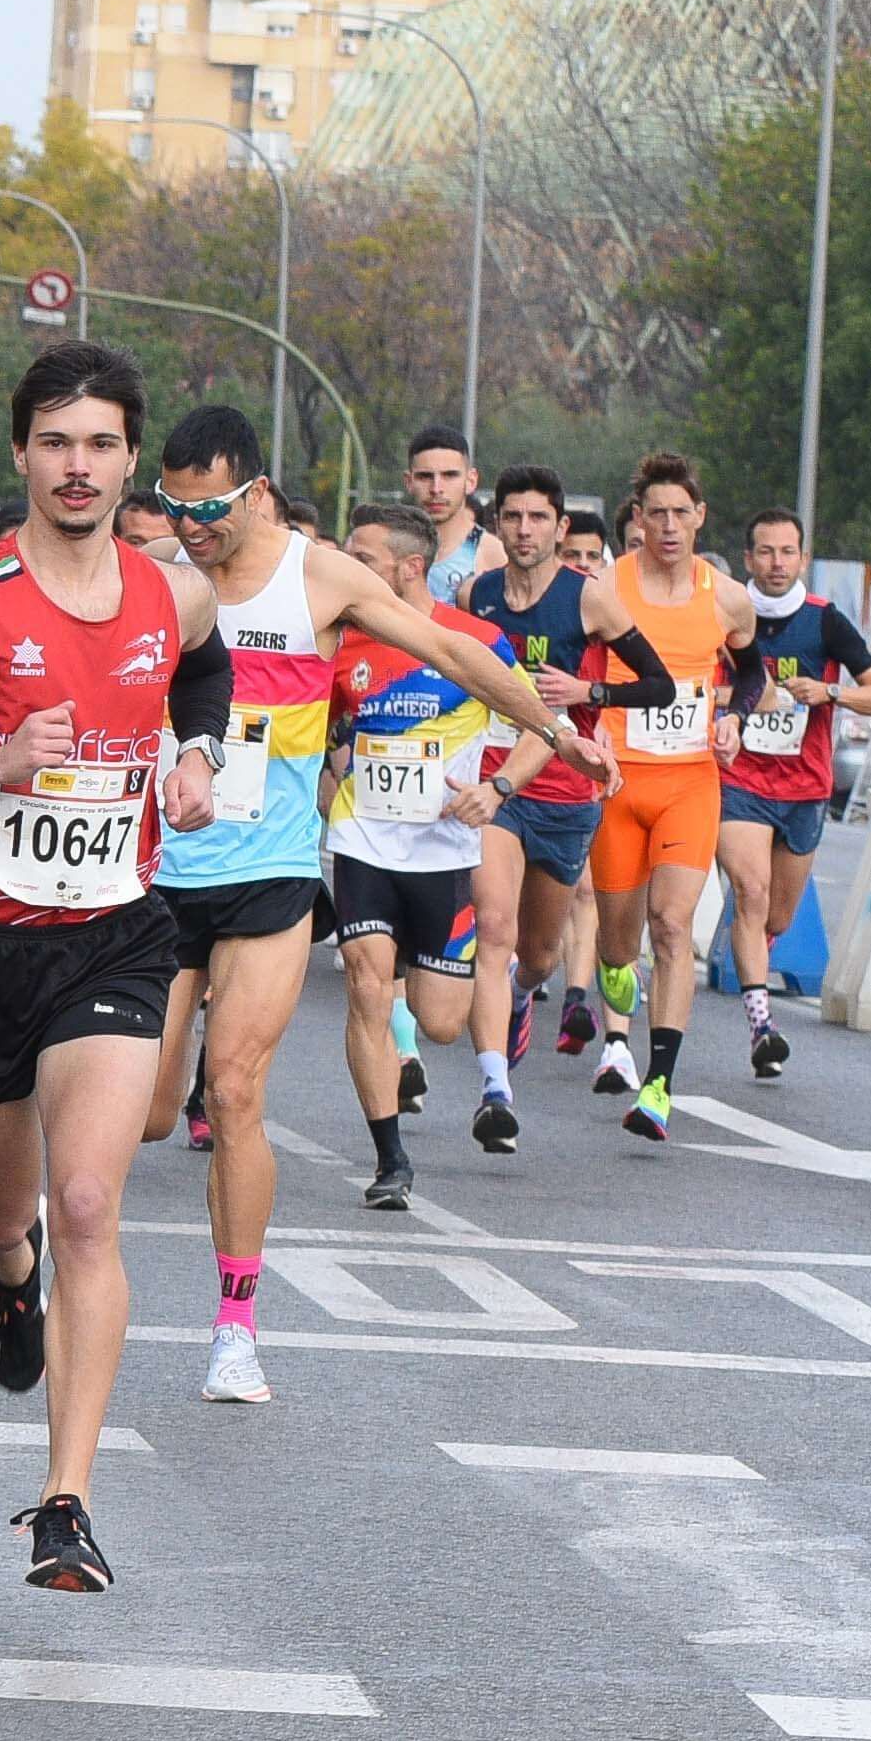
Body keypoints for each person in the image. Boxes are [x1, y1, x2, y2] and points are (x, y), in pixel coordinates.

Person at [0, 339, 226, 1595]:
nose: (77, 466)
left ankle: (65, 1500)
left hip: (111, 936)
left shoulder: (169, 593)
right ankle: (7, 1282)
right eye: (55, 442)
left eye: (100, 444)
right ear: (18, 452)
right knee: (1, 1212)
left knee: (83, 1204)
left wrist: (196, 754)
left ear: (130, 460)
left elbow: (205, 673)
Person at [140, 409, 581, 1397]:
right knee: (150, 1116)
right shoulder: (153, 576)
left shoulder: (320, 577)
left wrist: (553, 731)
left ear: (255, 493)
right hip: (157, 875)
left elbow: (455, 655)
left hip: (270, 873)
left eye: (207, 509)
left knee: (235, 1090)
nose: (189, 526)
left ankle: (234, 1328)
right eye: (173, 507)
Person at [326, 518, 528, 1217]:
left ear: (408, 567)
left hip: (443, 853)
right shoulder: (342, 639)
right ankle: (390, 1159)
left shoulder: (475, 641)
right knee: (365, 987)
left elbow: (540, 728)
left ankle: (481, 993)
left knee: (440, 1022)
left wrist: (496, 789)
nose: (346, 565)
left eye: (362, 557)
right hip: (362, 843)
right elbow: (317, 725)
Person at [581, 453, 764, 1137]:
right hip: (618, 781)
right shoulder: (606, 589)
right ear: (637, 518)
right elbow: (578, 666)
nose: (666, 525)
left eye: (679, 513)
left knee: (671, 924)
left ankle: (658, 1084)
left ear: (699, 517)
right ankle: (613, 973)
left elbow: (752, 673)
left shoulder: (726, 597)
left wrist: (733, 716)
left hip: (690, 781)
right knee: (617, 943)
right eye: (654, 513)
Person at [446, 462, 618, 1149]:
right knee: (492, 929)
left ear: (559, 526)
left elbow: (660, 686)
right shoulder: (475, 594)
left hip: (565, 794)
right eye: (512, 517)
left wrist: (589, 695)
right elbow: (450, 671)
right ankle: (494, 1091)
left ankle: (522, 994)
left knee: (539, 954)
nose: (524, 529)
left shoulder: (589, 600)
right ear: (497, 524)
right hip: (494, 785)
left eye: (538, 518)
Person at [720, 507, 871, 1072]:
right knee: (750, 891)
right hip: (740, 779)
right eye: (766, 552)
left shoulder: (825, 621)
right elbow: (693, 683)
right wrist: (740, 699)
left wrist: (829, 692)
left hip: (804, 788)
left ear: (803, 559)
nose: (776, 563)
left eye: (787, 552)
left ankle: (754, 964)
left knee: (776, 917)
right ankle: (761, 1026)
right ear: (749, 559)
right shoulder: (728, 615)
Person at [405, 425, 487, 600]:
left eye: (449, 475)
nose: (436, 489)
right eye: (425, 476)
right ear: (409, 481)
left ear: (471, 481)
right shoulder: (390, 549)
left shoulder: (491, 553)